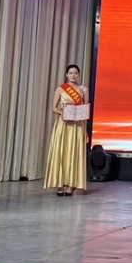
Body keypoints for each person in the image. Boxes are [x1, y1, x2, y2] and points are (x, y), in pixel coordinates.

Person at [44, 64, 88, 196]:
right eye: (71, 73)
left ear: (78, 75)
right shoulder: (60, 89)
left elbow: (86, 108)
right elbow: (53, 108)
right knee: (61, 151)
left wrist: (81, 115)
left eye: (75, 73)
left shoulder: (83, 89)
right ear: (66, 75)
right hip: (63, 124)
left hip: (77, 125)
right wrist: (62, 112)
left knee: (74, 152)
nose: (73, 75)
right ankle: (60, 183)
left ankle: (72, 184)